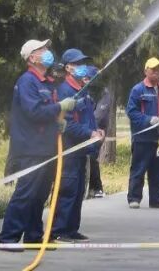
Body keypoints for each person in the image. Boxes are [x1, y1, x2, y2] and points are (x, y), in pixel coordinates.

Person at [0, 40, 77, 252]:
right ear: (32, 57)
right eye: (42, 50)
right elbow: (34, 112)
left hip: (46, 146)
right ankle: (8, 238)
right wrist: (59, 107)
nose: (47, 52)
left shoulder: (45, 82)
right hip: (31, 147)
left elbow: (47, 111)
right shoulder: (27, 82)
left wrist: (58, 120)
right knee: (26, 192)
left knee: (39, 194)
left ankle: (33, 237)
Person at [50, 49, 103, 243]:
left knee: (79, 189)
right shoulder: (65, 91)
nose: (83, 67)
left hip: (82, 149)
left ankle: (72, 229)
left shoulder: (83, 90)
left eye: (83, 63)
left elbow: (88, 117)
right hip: (69, 149)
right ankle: (59, 230)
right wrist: (89, 133)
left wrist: (97, 131)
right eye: (78, 64)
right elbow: (68, 124)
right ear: (68, 68)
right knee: (68, 189)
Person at [125, 57, 159, 209]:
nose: (156, 73)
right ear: (146, 71)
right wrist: (148, 120)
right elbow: (131, 112)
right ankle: (134, 198)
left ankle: (157, 199)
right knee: (139, 169)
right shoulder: (138, 90)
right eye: (153, 70)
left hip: (158, 139)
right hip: (142, 138)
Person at [87, 86, 112, 198]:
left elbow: (99, 116)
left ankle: (97, 188)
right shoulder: (85, 90)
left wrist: (91, 130)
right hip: (85, 130)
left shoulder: (104, 93)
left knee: (91, 155)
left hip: (98, 131)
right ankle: (89, 187)